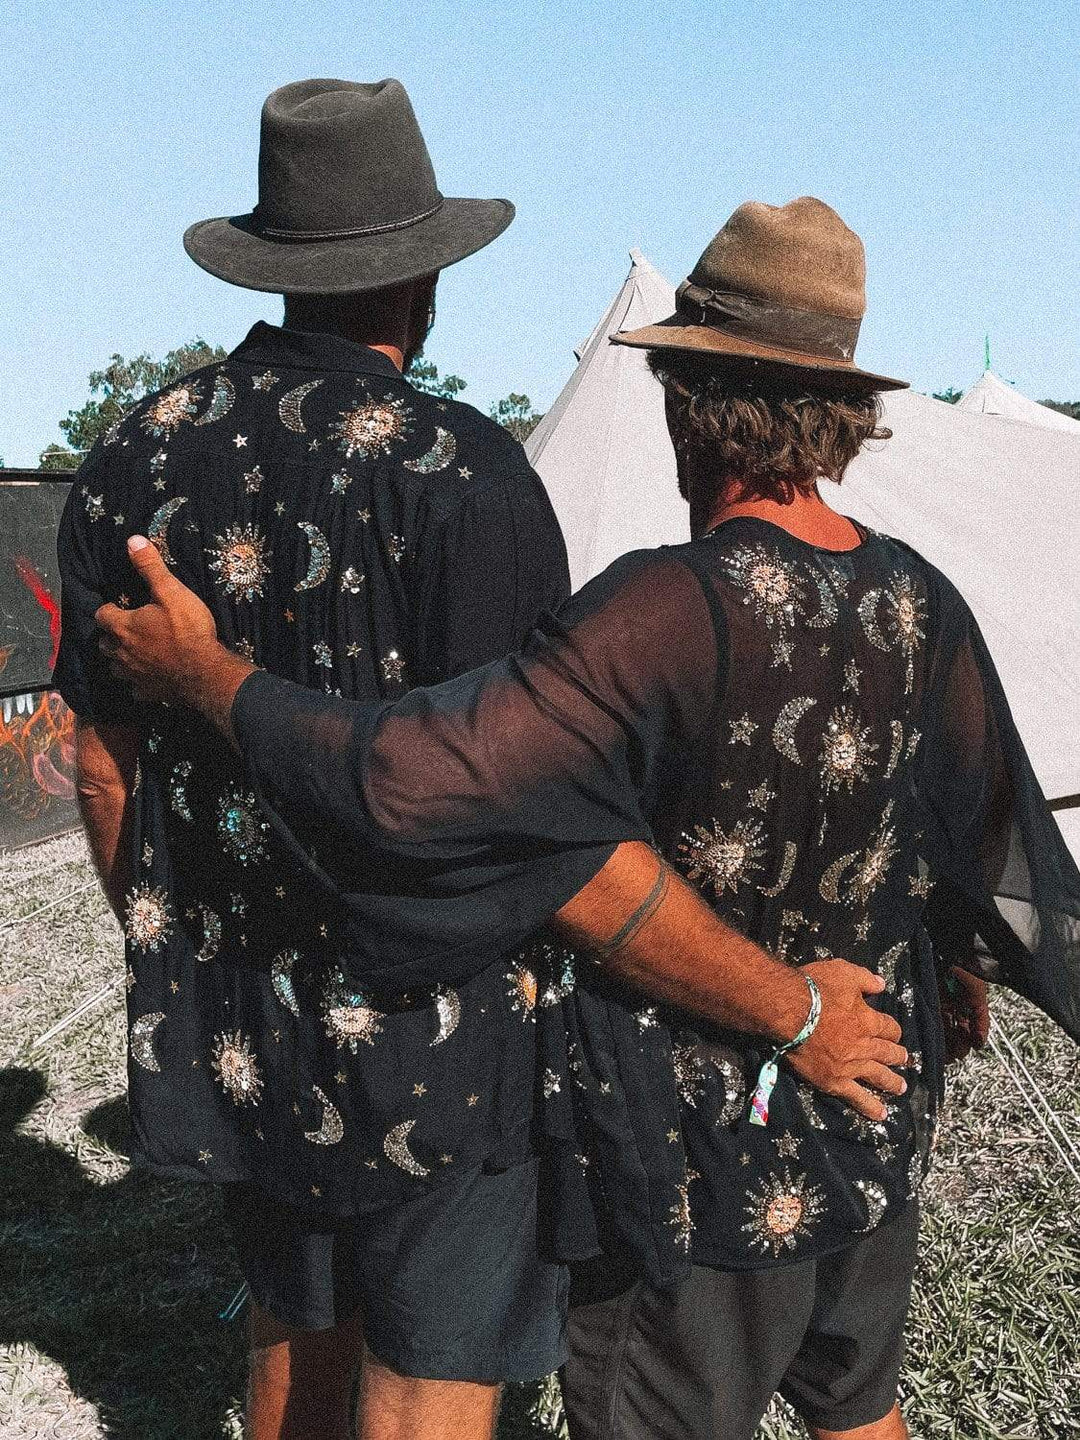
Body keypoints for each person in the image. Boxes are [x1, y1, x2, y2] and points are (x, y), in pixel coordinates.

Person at [96, 197, 1080, 1440]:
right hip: (873, 1107)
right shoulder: (917, 597)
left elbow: (415, 776)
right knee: (859, 1408)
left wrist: (211, 680)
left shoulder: (662, 609)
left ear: (685, 402)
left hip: (703, 1156)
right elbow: (980, 834)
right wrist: (950, 967)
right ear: (845, 411)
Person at [56, 75, 583, 1440]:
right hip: (445, 1026)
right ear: (423, 278)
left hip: (239, 1014)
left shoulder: (130, 463)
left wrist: (185, 936)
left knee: (296, 1339)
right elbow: (523, 794)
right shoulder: (466, 476)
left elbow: (102, 767)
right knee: (429, 1373)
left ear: (277, 268)